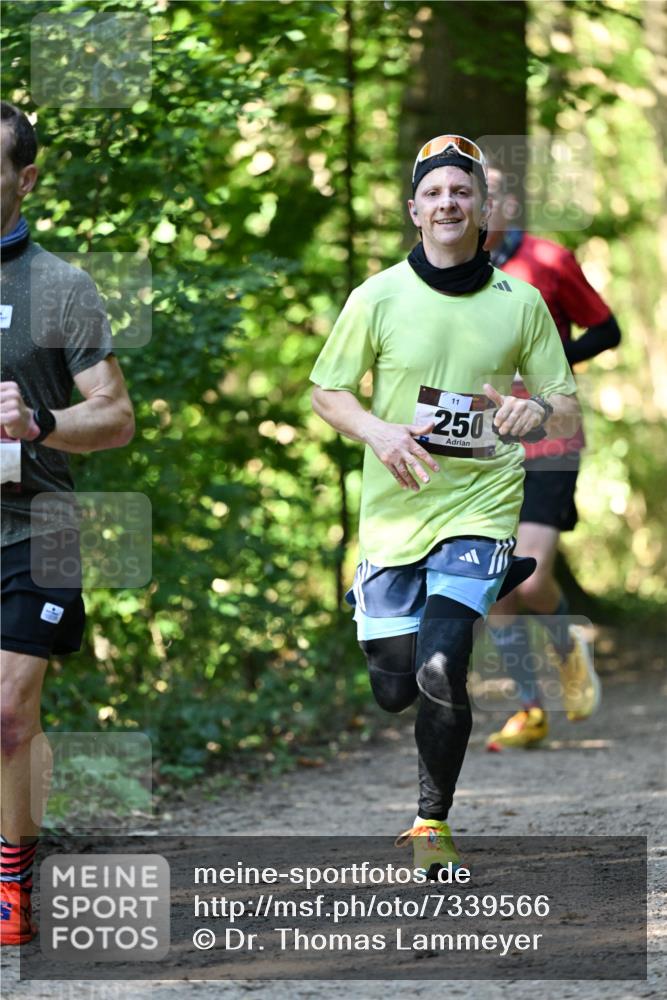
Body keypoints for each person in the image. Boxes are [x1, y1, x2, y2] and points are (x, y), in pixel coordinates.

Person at [310, 134, 580, 875]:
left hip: (481, 503)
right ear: (413, 211)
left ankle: (432, 825)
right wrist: (377, 430)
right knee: (396, 685)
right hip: (395, 513)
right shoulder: (376, 297)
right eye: (433, 193)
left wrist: (532, 413)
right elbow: (326, 392)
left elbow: (561, 399)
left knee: (440, 662)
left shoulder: (519, 302)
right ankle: (375, 597)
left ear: (483, 208)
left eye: (461, 191)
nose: (447, 203)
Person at [0, 102, 135, 945]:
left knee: (9, 711)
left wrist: (38, 425)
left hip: (36, 526)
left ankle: (11, 879)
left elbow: (116, 416)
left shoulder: (60, 287)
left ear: (25, 178)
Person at [483, 167, 621, 751]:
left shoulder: (547, 260)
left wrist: (551, 362)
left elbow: (607, 329)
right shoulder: (446, 276)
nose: (475, 205)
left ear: (508, 204)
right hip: (480, 444)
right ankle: (529, 709)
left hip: (549, 435)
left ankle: (566, 643)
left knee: (531, 570)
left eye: (487, 194)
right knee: (495, 581)